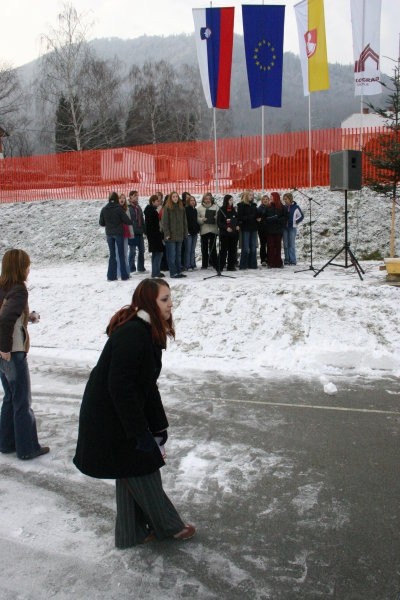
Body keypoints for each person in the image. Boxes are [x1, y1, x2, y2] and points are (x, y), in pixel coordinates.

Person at [73, 278, 195, 547]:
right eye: (164, 299)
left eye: (169, 298)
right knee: (143, 463)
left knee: (129, 466)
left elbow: (146, 384)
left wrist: (157, 426)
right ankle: (168, 526)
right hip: (109, 415)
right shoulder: (133, 334)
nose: (170, 304)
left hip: (119, 413)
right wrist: (140, 432)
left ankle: (131, 533)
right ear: (149, 303)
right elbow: (120, 387)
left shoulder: (147, 331)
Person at [0, 249, 49, 460]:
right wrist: (5, 348)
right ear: (20, 267)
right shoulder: (19, 289)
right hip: (12, 351)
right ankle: (27, 448)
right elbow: (5, 319)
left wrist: (28, 317)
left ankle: (6, 443)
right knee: (22, 400)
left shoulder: (3, 287)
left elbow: (6, 314)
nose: (29, 269)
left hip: (3, 351)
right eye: (27, 265)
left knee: (10, 398)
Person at [99, 191, 132, 281]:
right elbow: (128, 221)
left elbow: (101, 223)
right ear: (117, 199)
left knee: (112, 255)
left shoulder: (104, 209)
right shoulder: (119, 209)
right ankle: (124, 275)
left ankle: (111, 276)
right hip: (118, 233)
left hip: (109, 234)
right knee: (121, 255)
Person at [161, 192, 188, 279]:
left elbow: (184, 222)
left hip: (179, 235)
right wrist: (167, 233)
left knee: (178, 255)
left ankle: (179, 271)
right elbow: (165, 222)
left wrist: (185, 232)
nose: (175, 198)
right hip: (171, 236)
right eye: (173, 197)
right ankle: (173, 273)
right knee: (172, 255)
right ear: (170, 198)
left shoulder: (181, 208)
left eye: (176, 197)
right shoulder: (167, 208)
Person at [237, 190, 260, 270]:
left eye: (252, 195)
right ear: (246, 196)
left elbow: (256, 215)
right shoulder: (241, 205)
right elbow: (240, 217)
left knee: (253, 247)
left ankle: (253, 265)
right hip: (245, 228)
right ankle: (243, 265)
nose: (252, 196)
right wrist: (250, 217)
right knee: (245, 248)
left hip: (253, 228)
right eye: (250, 195)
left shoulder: (254, 205)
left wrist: (258, 218)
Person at [263, 192, 287, 268]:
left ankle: (278, 263)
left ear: (275, 197)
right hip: (270, 230)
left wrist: (278, 220)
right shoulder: (268, 207)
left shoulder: (282, 207)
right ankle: (271, 263)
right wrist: (268, 221)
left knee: (278, 247)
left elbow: (285, 217)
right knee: (270, 247)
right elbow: (264, 218)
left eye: (271, 197)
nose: (270, 198)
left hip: (278, 230)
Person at [144, 194, 165, 278]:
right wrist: (159, 234)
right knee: (158, 253)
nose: (158, 202)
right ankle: (156, 271)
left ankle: (155, 271)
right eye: (157, 201)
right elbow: (154, 225)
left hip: (152, 236)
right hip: (155, 236)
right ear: (153, 202)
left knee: (155, 253)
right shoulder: (152, 211)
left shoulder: (149, 210)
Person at [217, 194, 239, 271]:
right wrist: (226, 228)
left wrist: (237, 226)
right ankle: (220, 266)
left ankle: (231, 266)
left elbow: (237, 219)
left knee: (232, 250)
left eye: (232, 200)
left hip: (233, 234)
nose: (231, 201)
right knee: (223, 250)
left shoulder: (233, 210)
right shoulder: (221, 210)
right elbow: (219, 223)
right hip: (225, 234)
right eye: (230, 200)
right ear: (226, 201)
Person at [197, 192, 219, 269]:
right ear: (203, 199)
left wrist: (216, 217)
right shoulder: (199, 208)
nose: (208, 200)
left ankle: (214, 263)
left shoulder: (215, 207)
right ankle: (204, 264)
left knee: (213, 248)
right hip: (204, 230)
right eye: (206, 199)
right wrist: (202, 219)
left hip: (213, 229)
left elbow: (219, 218)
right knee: (204, 248)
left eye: (209, 198)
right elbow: (197, 219)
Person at [282, 192, 304, 265]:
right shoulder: (283, 207)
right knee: (285, 244)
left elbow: (301, 216)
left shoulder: (295, 207)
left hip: (292, 228)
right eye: (284, 199)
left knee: (291, 244)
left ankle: (293, 260)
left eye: (286, 199)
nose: (285, 201)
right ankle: (287, 259)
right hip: (284, 228)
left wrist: (295, 221)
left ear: (290, 199)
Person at [128, 190, 147, 273]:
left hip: (139, 232)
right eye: (135, 195)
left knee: (142, 250)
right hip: (132, 232)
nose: (137, 197)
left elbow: (142, 219)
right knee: (132, 251)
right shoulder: (128, 207)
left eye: (137, 195)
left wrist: (144, 230)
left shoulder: (138, 207)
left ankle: (141, 267)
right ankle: (131, 267)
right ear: (130, 197)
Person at [118, 193, 133, 277]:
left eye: (123, 198)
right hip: (118, 232)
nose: (122, 199)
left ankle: (127, 271)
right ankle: (119, 272)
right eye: (120, 198)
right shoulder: (116, 208)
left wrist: (131, 233)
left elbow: (129, 221)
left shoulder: (126, 209)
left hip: (125, 232)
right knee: (118, 253)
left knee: (125, 252)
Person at [184, 196, 200, 270]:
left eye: (194, 200)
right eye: (191, 200)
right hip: (189, 232)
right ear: (188, 202)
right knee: (188, 250)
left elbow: (195, 221)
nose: (193, 201)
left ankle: (193, 264)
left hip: (194, 232)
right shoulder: (186, 209)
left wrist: (197, 229)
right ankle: (188, 265)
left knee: (193, 249)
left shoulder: (195, 210)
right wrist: (187, 230)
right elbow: (186, 222)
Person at [256, 194, 270, 266]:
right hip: (261, 229)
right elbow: (257, 218)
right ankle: (263, 260)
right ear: (262, 201)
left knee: (269, 244)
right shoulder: (259, 208)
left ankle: (269, 258)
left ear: (268, 200)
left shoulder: (270, 207)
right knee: (263, 244)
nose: (265, 200)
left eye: (266, 199)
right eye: (264, 199)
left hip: (269, 229)